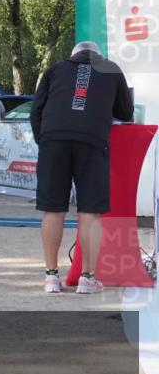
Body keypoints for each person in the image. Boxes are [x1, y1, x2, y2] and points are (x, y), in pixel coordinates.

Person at [31, 41, 134, 295]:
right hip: (92, 141)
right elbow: (126, 111)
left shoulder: (55, 69)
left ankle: (51, 277)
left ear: (73, 56)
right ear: (98, 55)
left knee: (53, 209)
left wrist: (43, 140)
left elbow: (36, 111)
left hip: (54, 140)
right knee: (90, 211)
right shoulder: (111, 69)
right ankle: (88, 278)